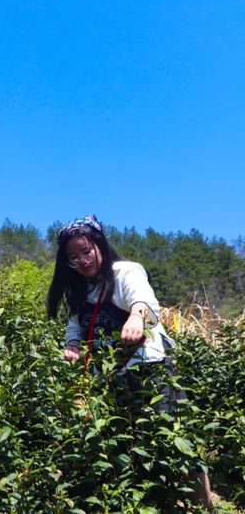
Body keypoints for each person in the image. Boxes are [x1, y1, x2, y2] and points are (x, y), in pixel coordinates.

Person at [46, 214, 213, 508]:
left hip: (151, 368)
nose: (82, 260)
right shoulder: (80, 289)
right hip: (111, 376)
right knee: (126, 443)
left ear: (100, 245)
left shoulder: (125, 272)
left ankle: (206, 503)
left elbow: (145, 303)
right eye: (73, 257)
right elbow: (75, 325)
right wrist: (72, 344)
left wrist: (136, 317)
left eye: (86, 251)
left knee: (177, 437)